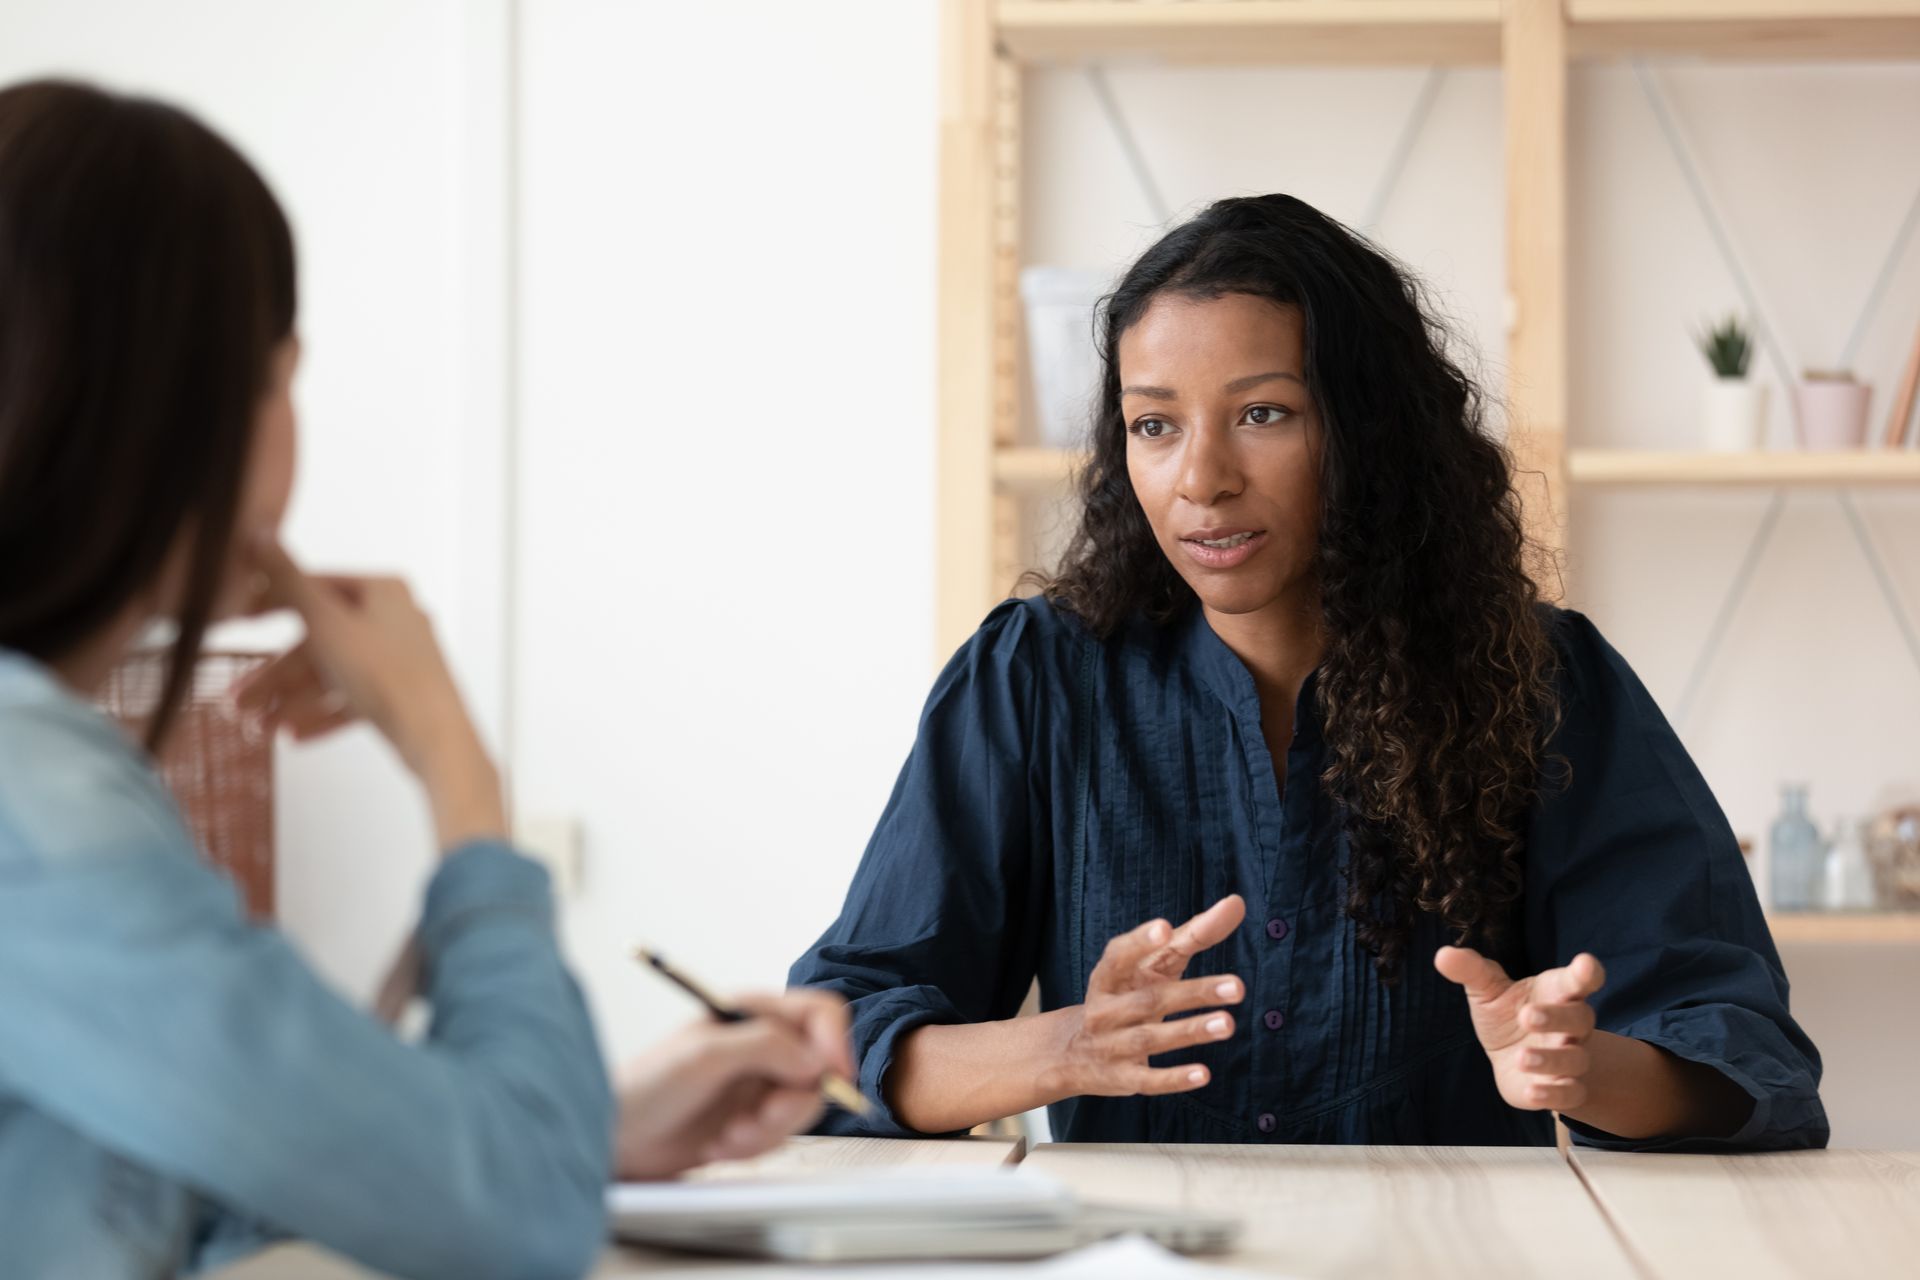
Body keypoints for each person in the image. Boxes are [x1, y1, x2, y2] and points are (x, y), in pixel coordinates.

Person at [0, 79, 849, 1280]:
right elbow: (516, 1225)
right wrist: (454, 761)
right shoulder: (35, 800)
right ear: (182, 406)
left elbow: (177, 1176)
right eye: (279, 375)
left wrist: (571, 1131)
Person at [792, 193, 1826, 1151]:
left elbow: (1743, 1055)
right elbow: (833, 1050)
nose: (1201, 477)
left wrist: (1580, 1067)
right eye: (1155, 424)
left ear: (1369, 434)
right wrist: (1066, 1047)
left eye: (1263, 413)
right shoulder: (1033, 680)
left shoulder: (1546, 682)